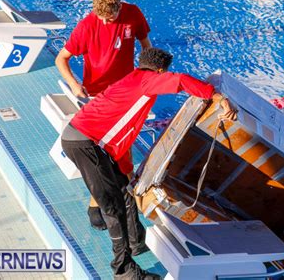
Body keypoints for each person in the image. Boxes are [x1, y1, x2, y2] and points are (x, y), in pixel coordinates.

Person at [61, 48, 237, 279]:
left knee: (124, 189)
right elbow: (181, 80)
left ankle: (135, 241)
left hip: (87, 140)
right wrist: (218, 97)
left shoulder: (133, 78)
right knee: (112, 206)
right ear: (161, 71)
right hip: (85, 143)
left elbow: (119, 132)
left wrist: (124, 170)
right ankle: (123, 270)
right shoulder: (147, 81)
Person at [55, 0, 151, 231]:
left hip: (126, 92)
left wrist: (148, 75)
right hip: (98, 96)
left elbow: (146, 46)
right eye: (103, 18)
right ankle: (129, 204)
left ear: (119, 6)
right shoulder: (87, 25)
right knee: (108, 152)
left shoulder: (133, 14)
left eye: (111, 17)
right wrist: (74, 84)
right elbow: (61, 58)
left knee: (121, 150)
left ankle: (104, 204)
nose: (107, 22)